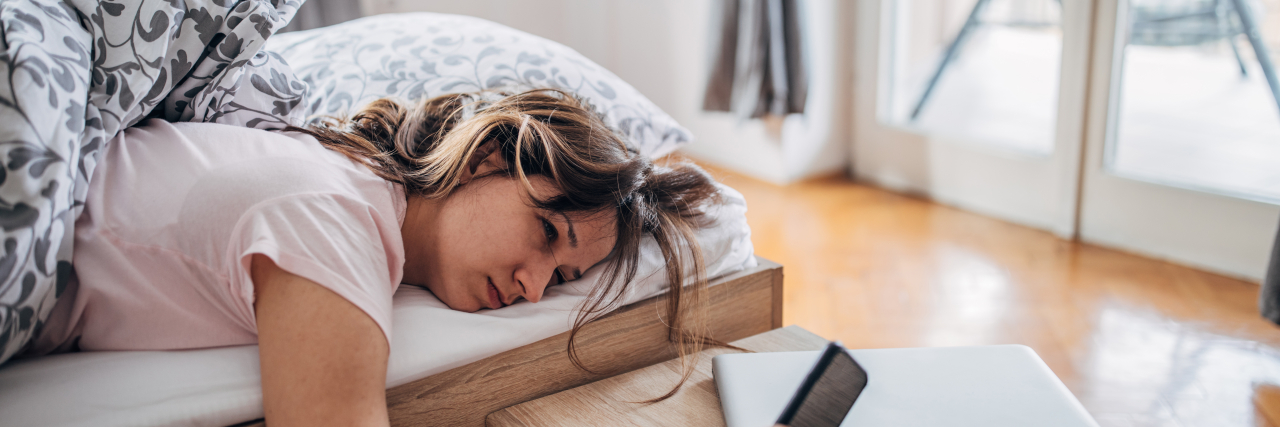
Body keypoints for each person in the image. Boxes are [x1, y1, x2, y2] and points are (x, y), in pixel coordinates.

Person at [21, 89, 721, 425]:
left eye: (563, 277)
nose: (534, 287)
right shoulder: (334, 218)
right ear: (484, 158)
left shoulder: (344, 184)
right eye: (546, 235)